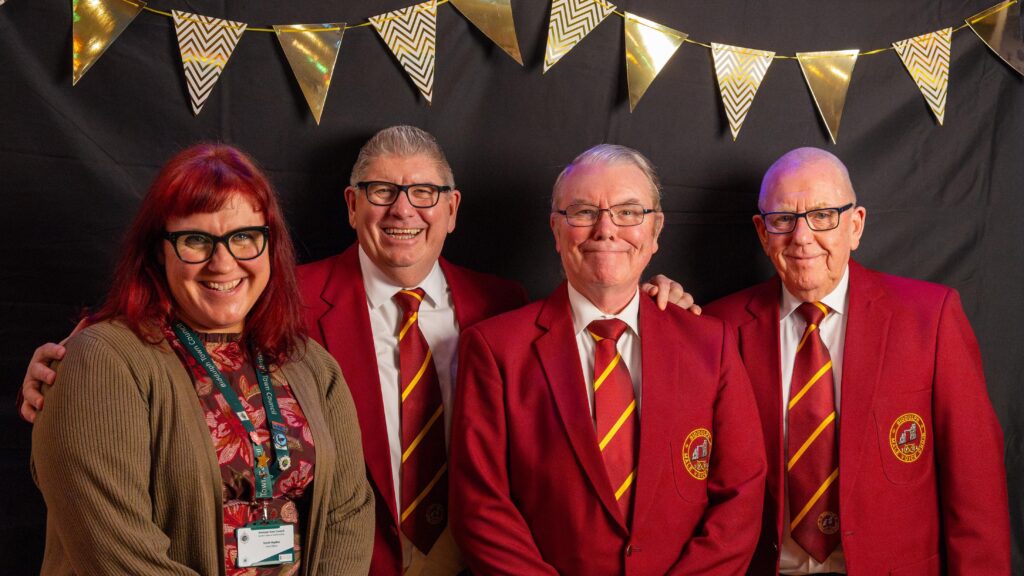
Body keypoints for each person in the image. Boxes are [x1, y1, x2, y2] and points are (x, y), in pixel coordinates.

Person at [21, 126, 693, 576]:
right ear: (350, 204)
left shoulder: (506, 306)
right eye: (381, 191)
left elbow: (587, 353)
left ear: (453, 209)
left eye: (424, 192)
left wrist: (659, 299)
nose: (404, 210)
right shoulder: (286, 305)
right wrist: (70, 360)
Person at [30, 144, 374, 574]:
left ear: (270, 245)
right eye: (196, 240)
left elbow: (349, 513)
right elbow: (116, 554)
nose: (223, 262)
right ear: (160, 249)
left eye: (244, 237)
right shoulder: (103, 361)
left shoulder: (311, 364)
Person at [448, 144, 767, 575]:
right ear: (556, 231)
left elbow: (741, 497)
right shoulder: (495, 349)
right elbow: (480, 508)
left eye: (629, 212)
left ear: (655, 232)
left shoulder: (711, 342)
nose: (606, 229)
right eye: (582, 212)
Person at [704, 147, 1011, 575]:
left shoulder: (931, 317)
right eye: (783, 219)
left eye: (823, 215)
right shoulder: (717, 327)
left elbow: (976, 487)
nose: (802, 236)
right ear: (762, 231)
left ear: (856, 224)